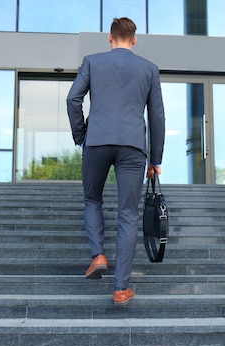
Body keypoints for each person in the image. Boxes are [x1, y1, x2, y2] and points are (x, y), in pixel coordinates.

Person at [66, 17, 166, 305]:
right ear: (134, 40)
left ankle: (98, 255)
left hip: (97, 141)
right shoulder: (149, 69)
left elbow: (73, 99)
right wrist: (155, 159)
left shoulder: (92, 62)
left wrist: (81, 134)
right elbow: (157, 117)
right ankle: (121, 288)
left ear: (110, 38)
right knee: (127, 214)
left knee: (92, 199)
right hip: (133, 146)